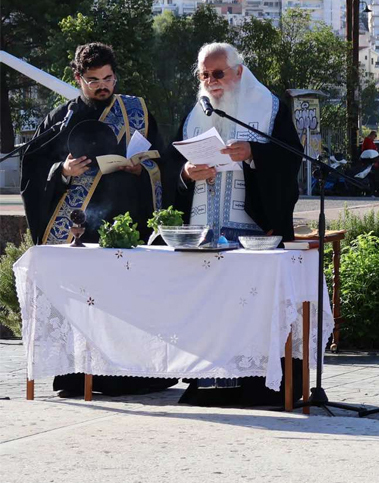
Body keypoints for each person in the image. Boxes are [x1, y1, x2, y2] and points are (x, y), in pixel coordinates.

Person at [20, 42, 177, 397]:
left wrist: (145, 167)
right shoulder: (62, 118)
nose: (103, 86)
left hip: (130, 225)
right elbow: (33, 170)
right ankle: (79, 377)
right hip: (82, 230)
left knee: (129, 301)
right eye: (93, 80)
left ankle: (136, 377)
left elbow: (163, 156)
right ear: (77, 77)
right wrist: (62, 171)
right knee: (87, 305)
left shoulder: (135, 110)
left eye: (108, 78)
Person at [172, 42, 303, 406]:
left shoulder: (270, 108)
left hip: (254, 233)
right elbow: (173, 166)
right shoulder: (195, 114)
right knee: (208, 310)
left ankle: (257, 386)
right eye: (204, 75)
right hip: (204, 232)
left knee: (250, 313)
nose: (211, 82)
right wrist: (186, 172)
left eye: (218, 73)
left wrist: (254, 153)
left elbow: (290, 162)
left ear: (239, 72)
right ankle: (206, 384)